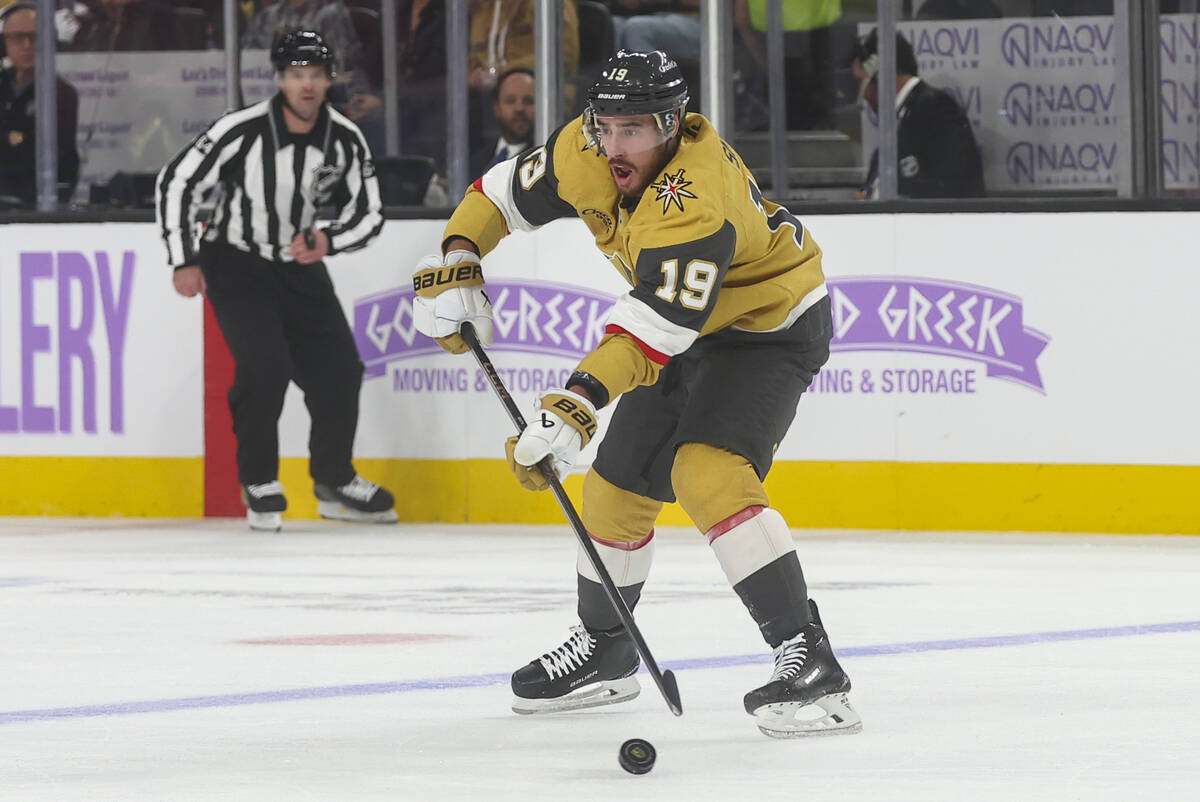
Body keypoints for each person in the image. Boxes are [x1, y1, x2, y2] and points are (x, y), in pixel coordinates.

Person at [412, 50, 861, 738]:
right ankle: (607, 649)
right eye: (608, 127)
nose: (617, 147)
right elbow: (499, 193)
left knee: (707, 473)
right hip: (687, 324)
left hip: (768, 327)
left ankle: (811, 658)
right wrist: (459, 255)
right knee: (616, 486)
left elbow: (653, 330)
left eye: (637, 130)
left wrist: (577, 402)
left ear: (673, 126)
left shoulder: (694, 197)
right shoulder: (583, 146)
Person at [156, 31, 395, 532]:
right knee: (265, 366)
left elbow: (370, 211)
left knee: (339, 370)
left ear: (329, 80)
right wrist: (184, 258)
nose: (306, 86)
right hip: (236, 260)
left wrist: (329, 239)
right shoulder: (241, 129)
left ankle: (334, 479)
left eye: (315, 75)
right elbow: (178, 179)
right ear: (280, 79)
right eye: (295, 75)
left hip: (299, 261)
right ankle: (260, 480)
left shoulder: (345, 136)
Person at [851, 28, 984, 199]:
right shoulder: (901, 118)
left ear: (880, 73)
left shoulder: (935, 109)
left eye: (862, 82)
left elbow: (955, 187)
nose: (865, 97)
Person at [0, 2, 79, 207]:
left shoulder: (60, 93)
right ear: (4, 44)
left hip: (33, 204)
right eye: (18, 37)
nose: (27, 45)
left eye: (34, 36)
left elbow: (42, 157)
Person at [470, 66, 534, 178]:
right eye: (510, 101)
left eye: (528, 101)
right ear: (497, 108)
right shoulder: (475, 160)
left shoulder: (546, 161)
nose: (519, 108)